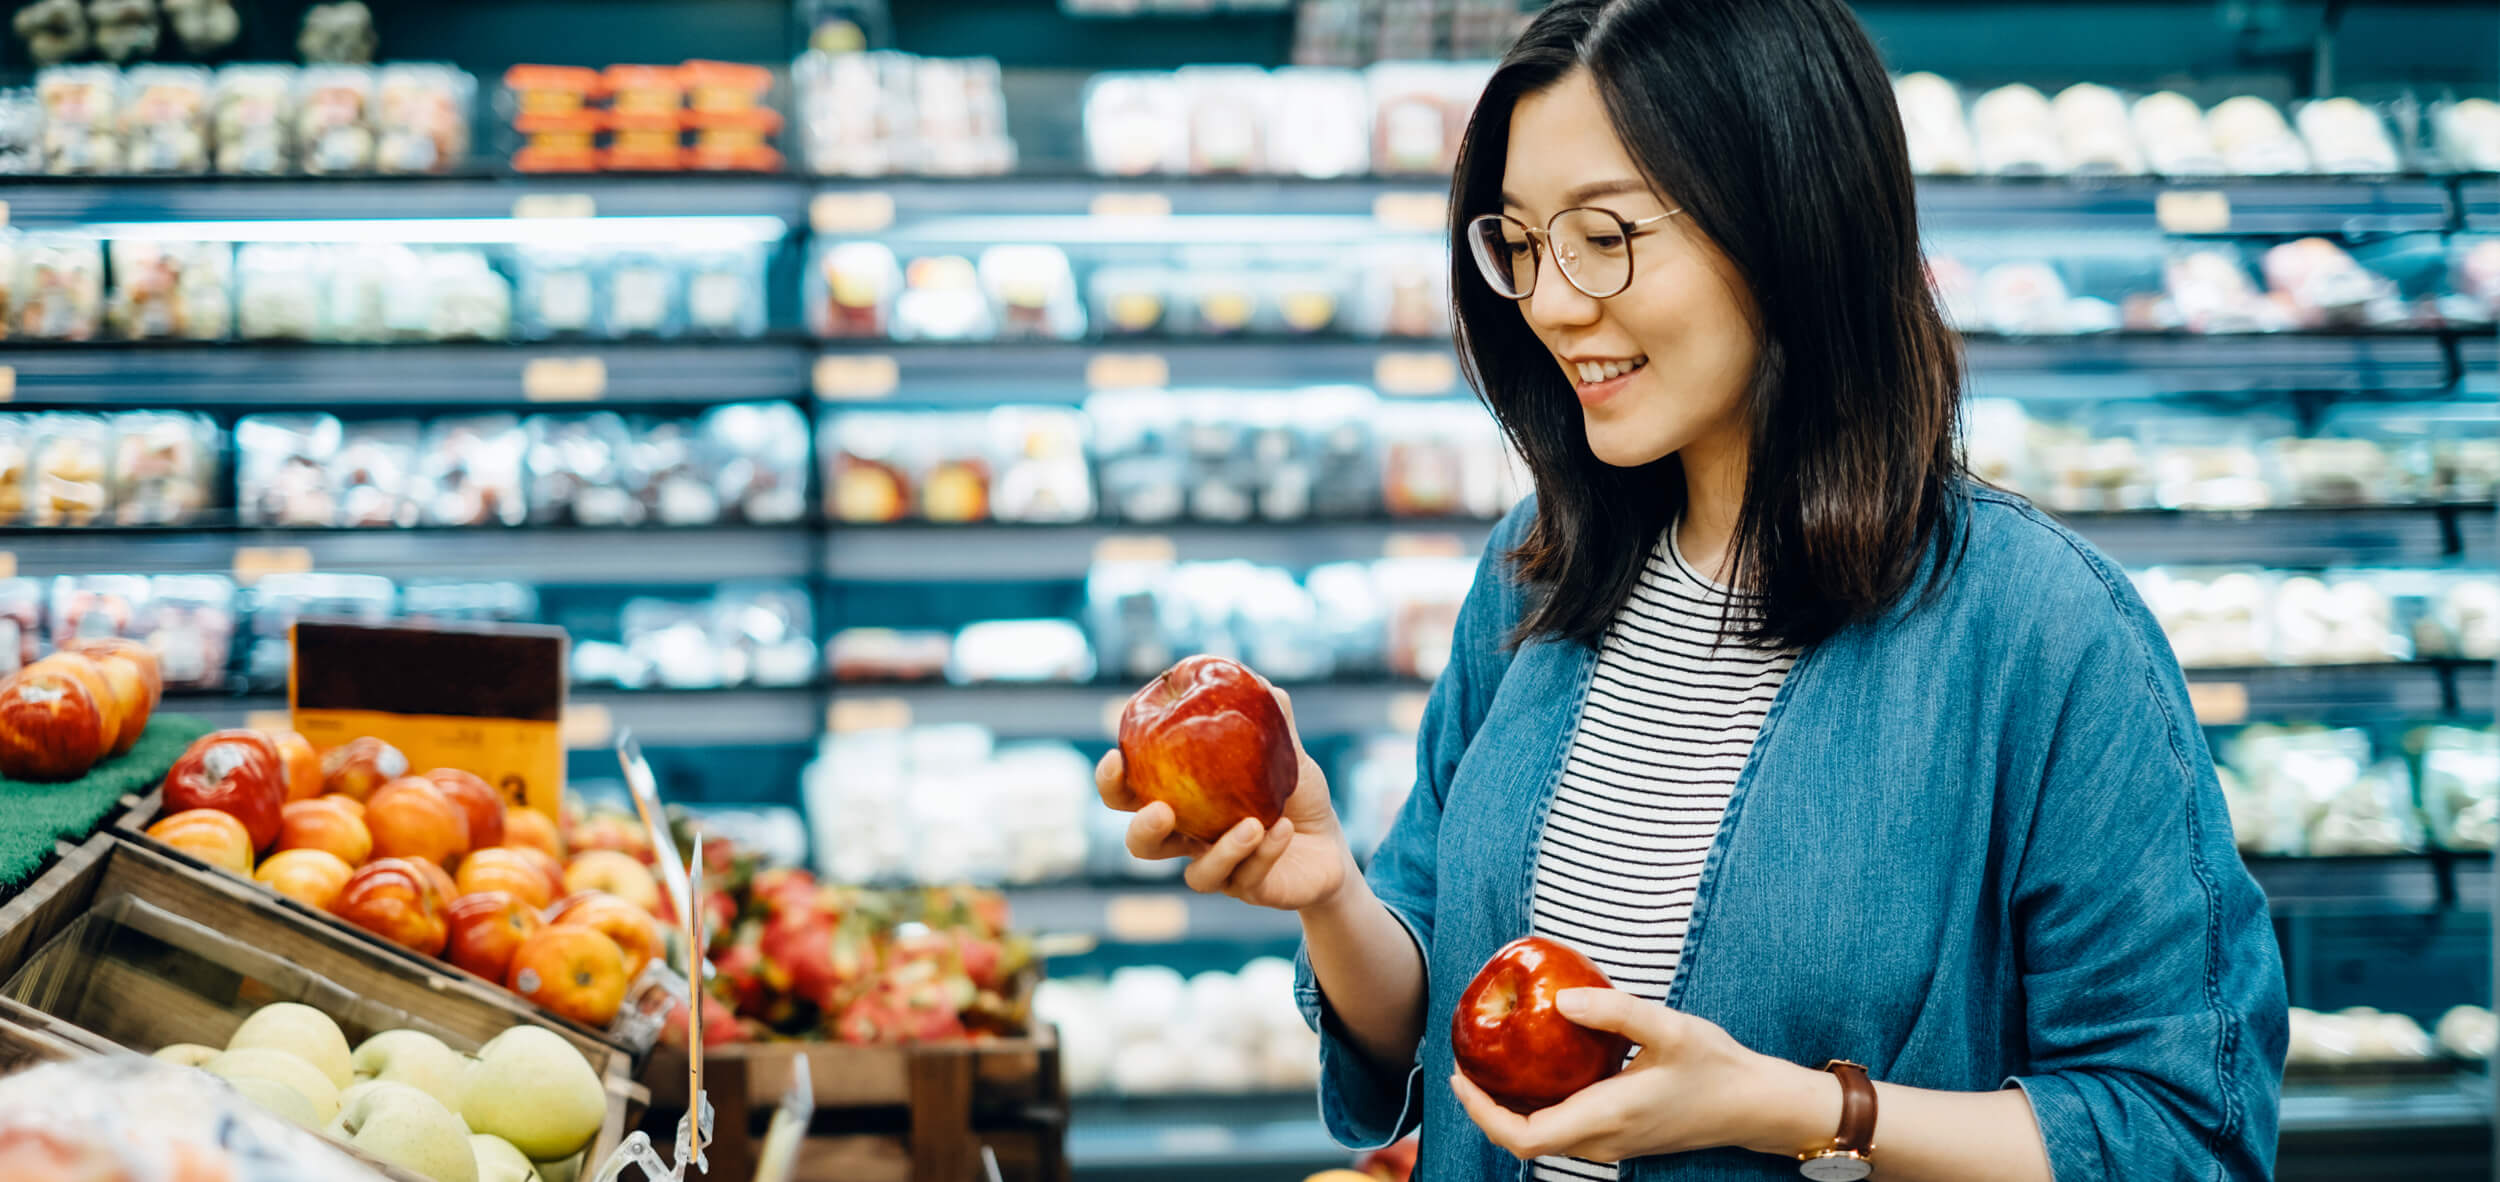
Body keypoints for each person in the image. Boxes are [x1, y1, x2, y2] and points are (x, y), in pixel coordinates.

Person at [1092, 0, 2289, 1176]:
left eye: (1604, 237)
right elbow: (1428, 1016)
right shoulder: (1534, 578)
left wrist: (1793, 1108)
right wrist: (1331, 892)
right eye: (1517, 242)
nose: (1551, 303)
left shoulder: (2044, 634)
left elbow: (2178, 1130)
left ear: (1791, 223)